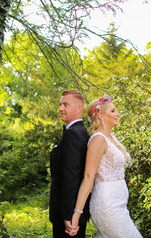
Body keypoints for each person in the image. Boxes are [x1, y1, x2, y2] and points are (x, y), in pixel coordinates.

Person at [69, 94, 143, 238]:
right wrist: (76, 215)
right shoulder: (98, 140)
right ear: (101, 116)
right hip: (108, 207)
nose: (118, 114)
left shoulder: (110, 138)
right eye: (113, 111)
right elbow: (88, 177)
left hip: (120, 205)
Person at [49, 90, 91, 238]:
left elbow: (72, 176)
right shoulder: (78, 132)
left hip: (68, 217)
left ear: (79, 108)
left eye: (66, 104)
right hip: (70, 213)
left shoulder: (73, 134)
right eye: (60, 104)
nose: (60, 108)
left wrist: (69, 215)